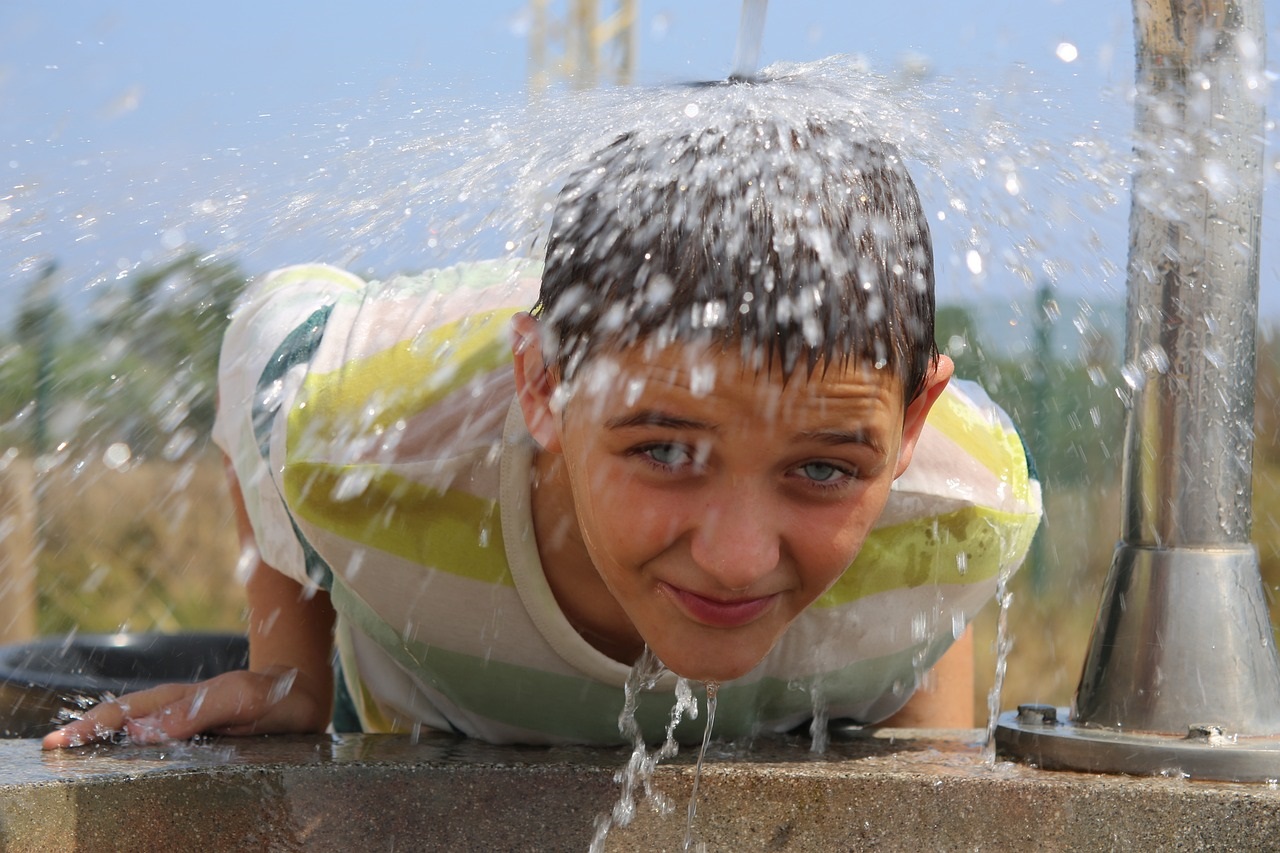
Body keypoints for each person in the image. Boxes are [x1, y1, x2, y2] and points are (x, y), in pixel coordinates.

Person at [44, 103, 1040, 750]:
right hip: (420, 718)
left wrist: (926, 761)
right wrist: (290, 669)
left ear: (908, 423)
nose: (736, 558)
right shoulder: (369, 437)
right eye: (664, 451)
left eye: (821, 472)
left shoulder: (955, 504)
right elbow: (264, 333)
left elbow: (924, 757)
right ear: (542, 386)